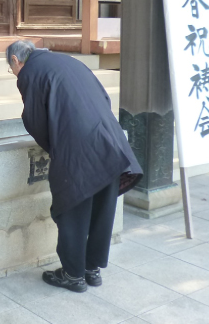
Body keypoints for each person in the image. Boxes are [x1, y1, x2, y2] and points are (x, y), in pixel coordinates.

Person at [8, 40, 142, 292]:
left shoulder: (30, 72)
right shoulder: (69, 61)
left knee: (73, 208)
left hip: (79, 145)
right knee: (103, 207)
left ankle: (72, 275)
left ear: (16, 61)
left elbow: (35, 121)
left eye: (11, 69)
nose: (14, 74)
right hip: (109, 138)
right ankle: (92, 269)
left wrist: (57, 147)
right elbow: (103, 97)